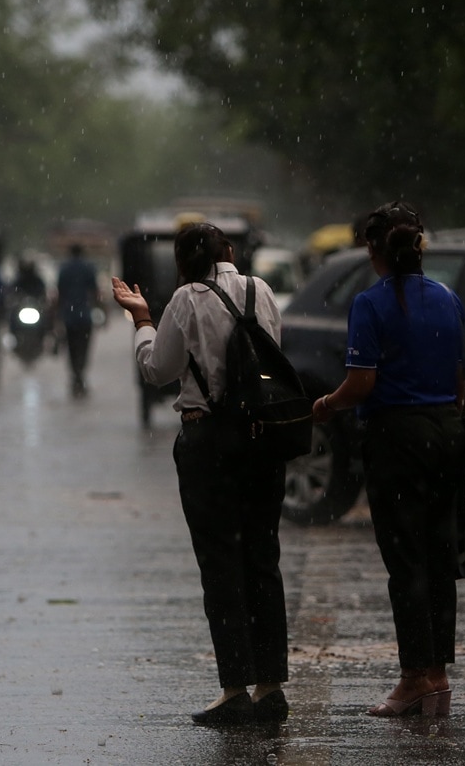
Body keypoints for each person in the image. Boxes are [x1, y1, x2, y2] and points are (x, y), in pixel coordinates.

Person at [110, 222, 289, 726]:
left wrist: (144, 321)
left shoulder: (185, 300)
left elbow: (157, 370)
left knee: (221, 564)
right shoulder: (263, 290)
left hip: (209, 441)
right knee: (262, 557)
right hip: (263, 438)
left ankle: (234, 688)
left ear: (182, 262)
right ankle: (271, 685)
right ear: (229, 251)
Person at [311, 201, 465, 718]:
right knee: (440, 558)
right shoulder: (448, 299)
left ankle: (412, 680)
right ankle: (439, 676)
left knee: (406, 562)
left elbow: (362, 383)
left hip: (396, 440)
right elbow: (460, 379)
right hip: (447, 434)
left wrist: (327, 405)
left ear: (373, 251)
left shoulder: (370, 304)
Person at [57, 243, 101, 398]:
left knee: (72, 349)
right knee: (83, 348)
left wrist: (57, 315)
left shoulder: (64, 269)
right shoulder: (88, 268)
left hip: (69, 318)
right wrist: (101, 311)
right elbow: (95, 292)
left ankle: (76, 375)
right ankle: (80, 375)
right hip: (84, 317)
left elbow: (59, 293)